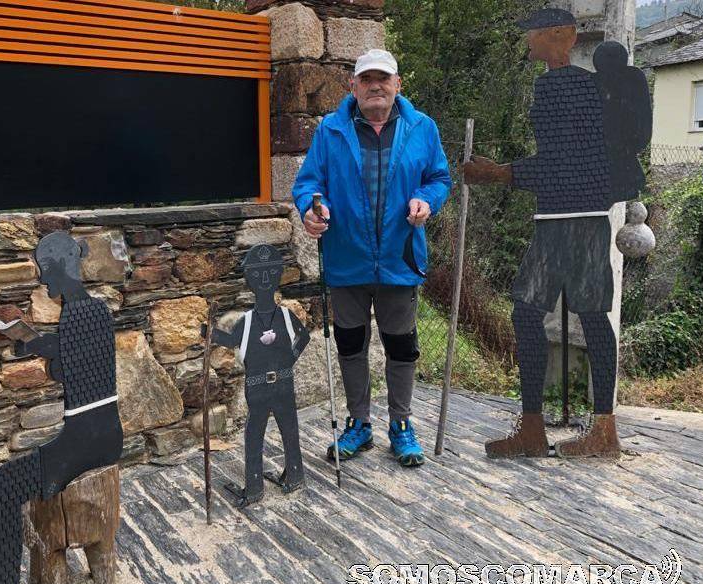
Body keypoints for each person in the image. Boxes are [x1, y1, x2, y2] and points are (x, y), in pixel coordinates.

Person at [462, 8, 647, 458]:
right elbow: (563, 161)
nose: (528, 40)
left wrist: (499, 173)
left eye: (534, 33)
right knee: (534, 312)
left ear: (560, 35)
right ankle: (535, 427)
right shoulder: (568, 85)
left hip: (574, 220)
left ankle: (601, 431)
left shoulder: (564, 87)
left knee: (579, 315)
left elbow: (565, 164)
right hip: (562, 217)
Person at [292, 49, 452, 467]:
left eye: (383, 78)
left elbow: (439, 178)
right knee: (351, 343)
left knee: (401, 345)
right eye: (366, 79)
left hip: (400, 258)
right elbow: (309, 183)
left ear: (398, 84)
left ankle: (401, 424)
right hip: (347, 259)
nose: (375, 86)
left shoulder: (422, 128)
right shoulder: (330, 130)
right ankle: (359, 424)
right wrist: (312, 209)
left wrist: (427, 200)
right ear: (353, 86)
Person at [0, 231, 123, 584]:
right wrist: (36, 345)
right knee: (3, 485)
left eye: (46, 269)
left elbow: (66, 351)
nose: (43, 279)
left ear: (61, 266)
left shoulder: (83, 313)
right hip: (99, 433)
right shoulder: (89, 313)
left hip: (86, 440)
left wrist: (31, 342)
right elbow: (69, 365)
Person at [204, 244, 311, 507]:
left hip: (282, 381)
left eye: (271, 273)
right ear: (249, 279)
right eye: (258, 273)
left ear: (278, 275)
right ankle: (257, 485)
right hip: (259, 385)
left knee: (287, 430)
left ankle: (289, 476)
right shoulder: (248, 320)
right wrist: (208, 333)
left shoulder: (285, 315)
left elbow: (303, 336)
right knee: (256, 433)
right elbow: (231, 340)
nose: (264, 279)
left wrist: (289, 359)